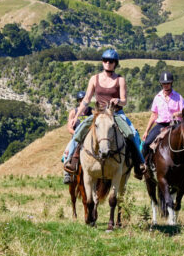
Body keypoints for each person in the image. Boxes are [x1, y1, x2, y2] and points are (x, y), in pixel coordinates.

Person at [62, 48, 145, 182]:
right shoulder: (94, 79)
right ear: (102, 62)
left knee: (132, 134)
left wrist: (118, 101)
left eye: (111, 61)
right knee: (79, 132)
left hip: (116, 113)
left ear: (115, 63)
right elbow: (87, 99)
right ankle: (70, 161)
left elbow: (124, 101)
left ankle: (139, 163)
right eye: (105, 60)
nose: (108, 63)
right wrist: (76, 117)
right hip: (99, 114)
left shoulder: (120, 80)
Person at [141, 71, 184, 164]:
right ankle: (144, 165)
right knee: (146, 143)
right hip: (161, 124)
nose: (166, 85)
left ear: (171, 83)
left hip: (176, 124)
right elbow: (154, 115)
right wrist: (146, 131)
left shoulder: (178, 97)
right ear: (161, 84)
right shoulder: (157, 97)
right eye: (164, 83)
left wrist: (178, 114)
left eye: (168, 83)